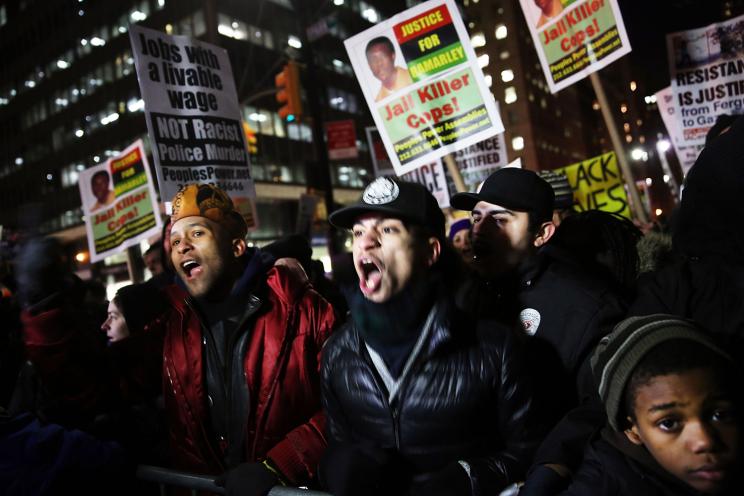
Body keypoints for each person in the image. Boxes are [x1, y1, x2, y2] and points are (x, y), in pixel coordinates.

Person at [320, 177, 539, 496]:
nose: (366, 243)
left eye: (387, 230)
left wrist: (468, 477)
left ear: (429, 252)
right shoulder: (337, 353)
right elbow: (338, 444)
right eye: (358, 232)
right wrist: (333, 466)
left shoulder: (494, 348)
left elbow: (531, 451)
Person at [164, 184, 337, 495]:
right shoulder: (172, 325)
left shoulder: (301, 309)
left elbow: (347, 407)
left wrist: (278, 466)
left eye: (197, 233)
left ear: (237, 246)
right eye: (175, 240)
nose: (182, 246)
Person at [562, 314, 742, 495]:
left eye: (719, 415)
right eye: (669, 423)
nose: (705, 442)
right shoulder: (600, 486)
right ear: (632, 431)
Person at [366, 36, 413, 102]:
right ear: (369, 66)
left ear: (393, 56)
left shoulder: (415, 77)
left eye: (382, 57)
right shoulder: (378, 102)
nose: (379, 63)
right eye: (373, 60)